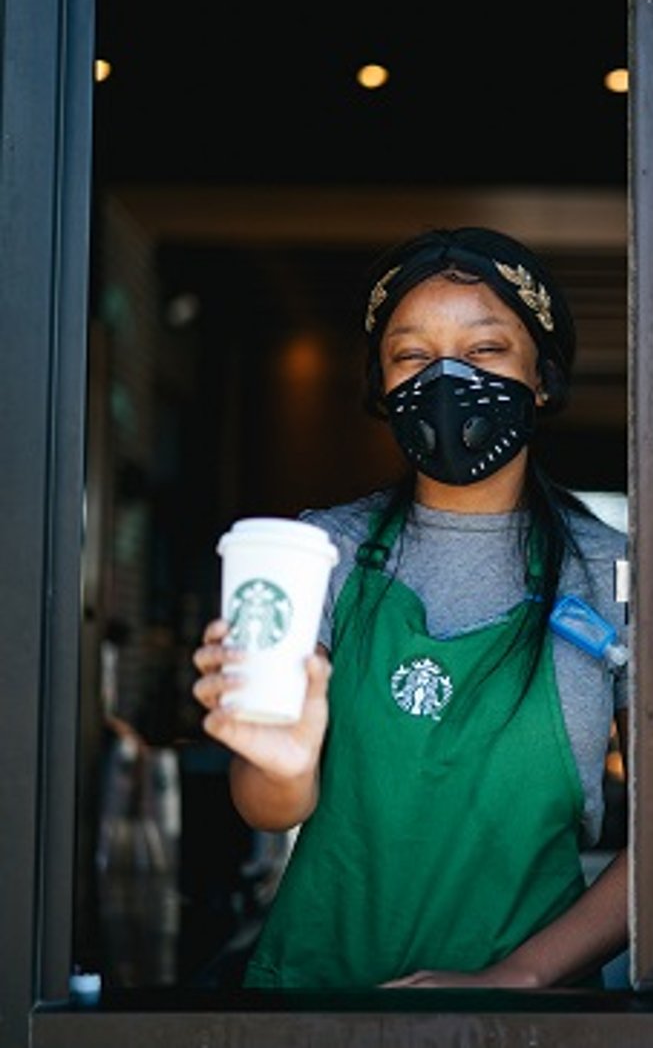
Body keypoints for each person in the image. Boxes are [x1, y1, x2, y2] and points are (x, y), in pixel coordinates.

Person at [191, 228, 629, 989]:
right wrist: (279, 763)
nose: (448, 377)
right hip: (316, 1004)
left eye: (486, 350)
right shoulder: (318, 552)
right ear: (383, 390)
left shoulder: (610, 571)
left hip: (534, 1022)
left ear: (544, 378)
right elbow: (266, 806)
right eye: (412, 355)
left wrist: (518, 978)